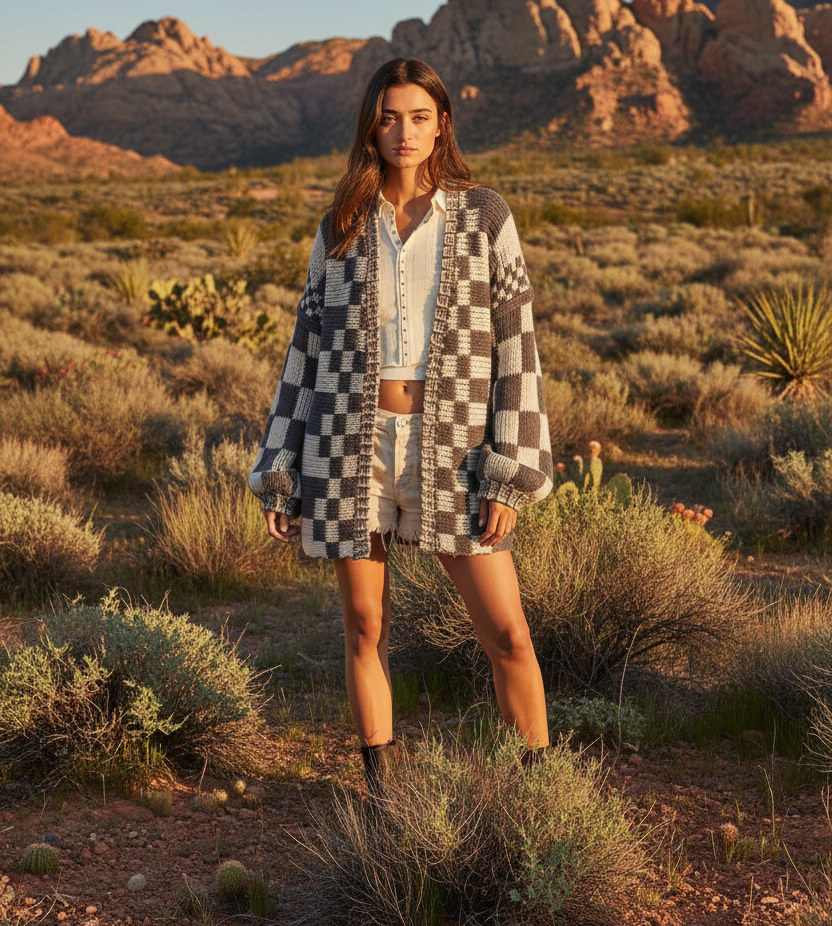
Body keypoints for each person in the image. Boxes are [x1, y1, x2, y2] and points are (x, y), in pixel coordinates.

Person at [249, 57, 554, 795]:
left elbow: (517, 344)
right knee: (365, 626)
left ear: (442, 123)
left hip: (454, 448)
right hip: (348, 444)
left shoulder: (484, 216)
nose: (404, 132)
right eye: (389, 118)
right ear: (371, 128)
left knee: (508, 632)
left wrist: (509, 471)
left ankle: (539, 792)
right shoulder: (342, 225)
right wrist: (281, 468)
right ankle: (383, 794)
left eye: (419, 117)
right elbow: (305, 351)